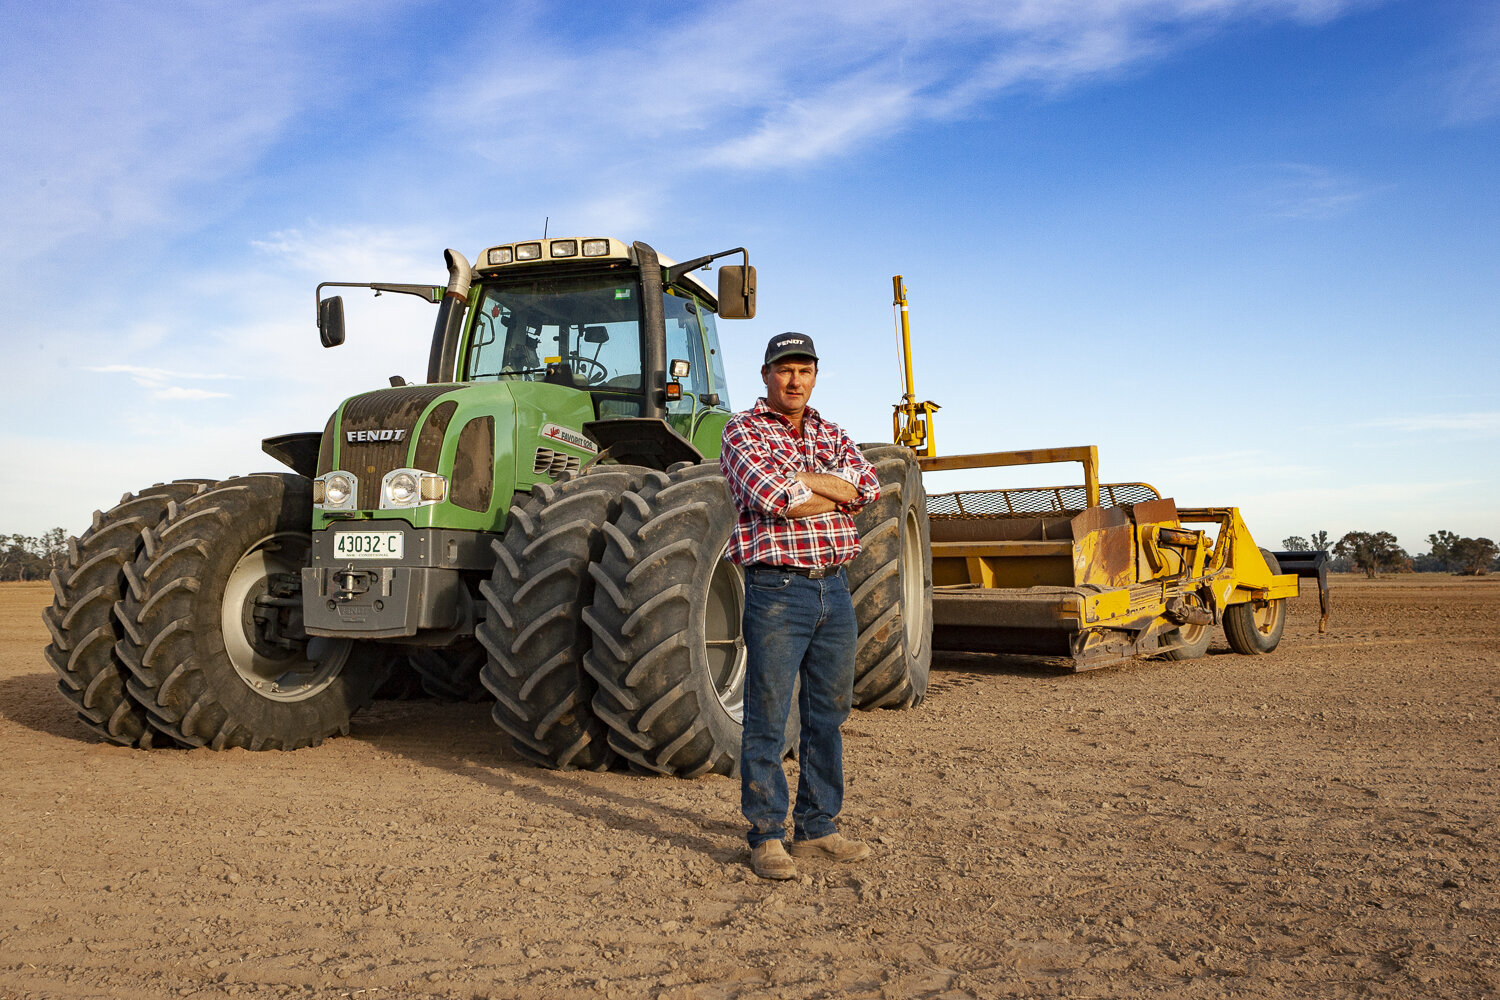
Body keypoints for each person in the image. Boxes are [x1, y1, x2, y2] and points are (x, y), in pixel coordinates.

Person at [719, 332, 881, 880]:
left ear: (815, 376)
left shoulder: (831, 430)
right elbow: (773, 499)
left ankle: (818, 827)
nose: (795, 381)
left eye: (805, 371)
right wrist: (832, 490)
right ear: (766, 374)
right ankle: (766, 833)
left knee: (828, 715)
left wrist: (807, 482)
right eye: (785, 370)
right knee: (767, 715)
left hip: (834, 588)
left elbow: (868, 487)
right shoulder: (742, 430)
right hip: (777, 591)